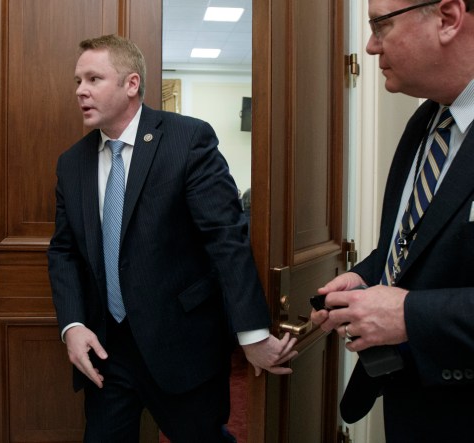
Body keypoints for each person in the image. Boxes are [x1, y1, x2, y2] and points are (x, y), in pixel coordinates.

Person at [47, 34, 297, 442]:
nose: (80, 91)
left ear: (131, 84)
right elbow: (64, 250)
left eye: (93, 79)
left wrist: (251, 333)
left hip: (182, 345)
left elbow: (225, 239)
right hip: (108, 351)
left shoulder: (187, 140)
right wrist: (72, 325)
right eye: (78, 81)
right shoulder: (72, 163)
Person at [311, 0, 474, 441]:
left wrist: (410, 315)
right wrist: (367, 276)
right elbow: (418, 242)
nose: (369, 46)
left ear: (447, 18)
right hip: (412, 408)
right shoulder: (425, 121)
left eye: (380, 25)